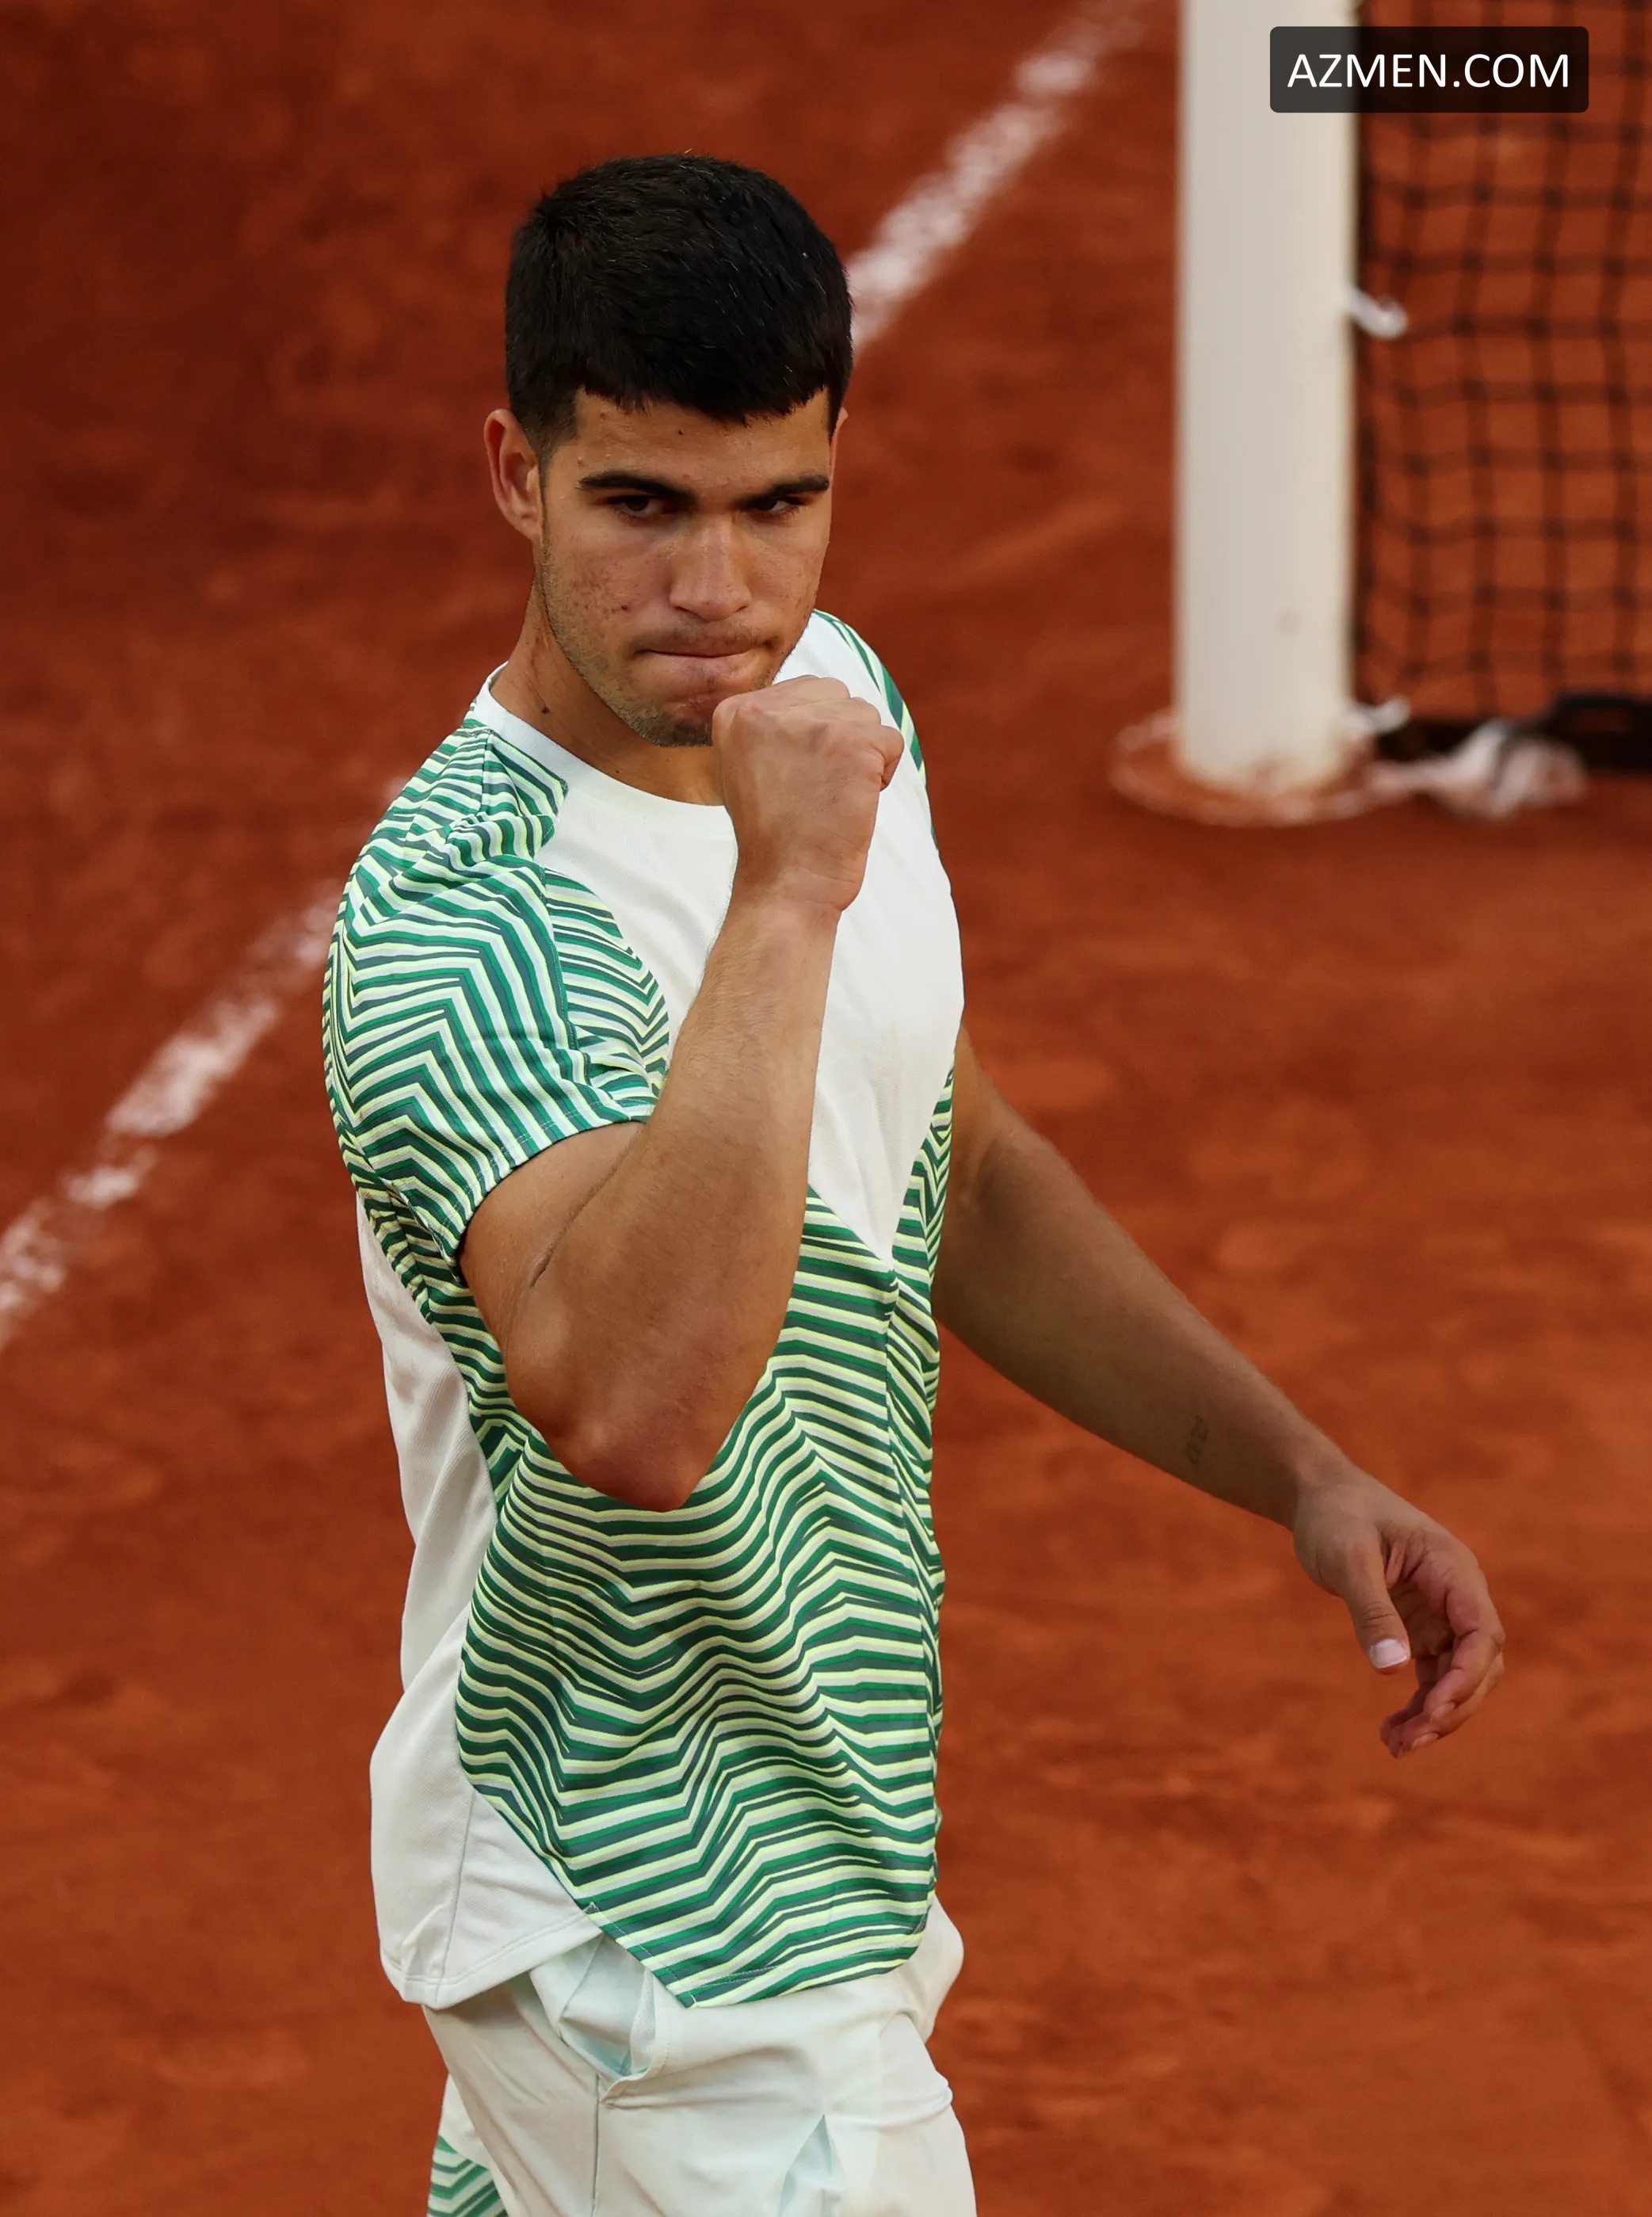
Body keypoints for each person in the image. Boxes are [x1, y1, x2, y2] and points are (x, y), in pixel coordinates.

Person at [322, 154, 1505, 2217]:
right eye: (642, 507)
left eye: (777, 506)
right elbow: (638, 1413)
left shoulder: (837, 701)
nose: (718, 590)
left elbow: (943, 1158)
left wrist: (1299, 1470)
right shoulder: (472, 931)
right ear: (519, 474)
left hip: (803, 1848)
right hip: (655, 1947)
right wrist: (784, 889)